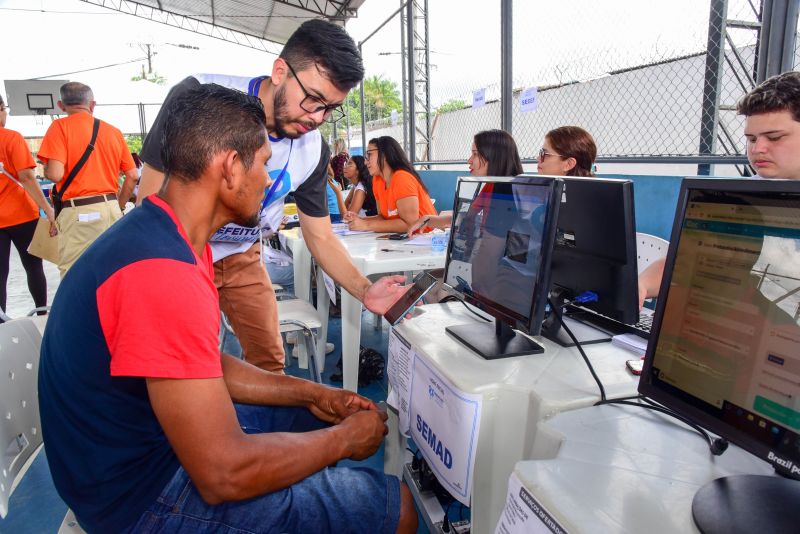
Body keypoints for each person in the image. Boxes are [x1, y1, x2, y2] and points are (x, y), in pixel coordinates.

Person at [38, 84, 417, 534]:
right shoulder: (163, 271)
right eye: (263, 165)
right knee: (396, 508)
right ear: (231, 168)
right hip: (138, 499)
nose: (269, 182)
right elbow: (223, 474)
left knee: (308, 415)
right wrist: (341, 442)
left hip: (129, 453)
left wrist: (313, 393)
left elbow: (202, 364)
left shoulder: (166, 233)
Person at [137, 20, 408, 372]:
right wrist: (168, 271)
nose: (317, 117)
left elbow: (320, 236)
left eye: (330, 108)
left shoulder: (313, 148)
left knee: (269, 361)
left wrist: (364, 290)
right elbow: (150, 200)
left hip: (243, 254)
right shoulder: (199, 97)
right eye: (312, 99)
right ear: (280, 71)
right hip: (181, 248)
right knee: (180, 363)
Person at [638, 71, 800, 308]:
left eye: (774, 137)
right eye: (752, 139)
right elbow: (685, 260)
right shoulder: (734, 198)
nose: (758, 149)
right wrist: (641, 285)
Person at [37, 82, 138, 275]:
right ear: (92, 105)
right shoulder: (113, 131)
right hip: (110, 209)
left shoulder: (59, 127)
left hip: (78, 212)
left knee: (74, 274)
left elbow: (55, 174)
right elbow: (133, 175)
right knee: (112, 271)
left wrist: (47, 166)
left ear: (61, 105)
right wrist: (120, 206)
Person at [0, 95, 56, 320]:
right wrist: (48, 208)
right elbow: (26, 177)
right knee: (33, 266)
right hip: (21, 214)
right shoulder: (11, 138)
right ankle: (41, 313)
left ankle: (1, 323)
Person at [408, 129, 523, 234]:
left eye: (475, 154)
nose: (469, 160)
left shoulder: (508, 193)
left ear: (494, 157)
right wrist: (427, 219)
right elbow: (467, 217)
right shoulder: (491, 185)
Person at [345, 136, 436, 233]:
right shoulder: (377, 180)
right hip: (404, 240)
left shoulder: (402, 178)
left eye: (369, 155)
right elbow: (383, 218)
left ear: (384, 155)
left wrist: (366, 225)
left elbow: (411, 224)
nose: (365, 161)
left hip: (426, 238)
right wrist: (359, 220)